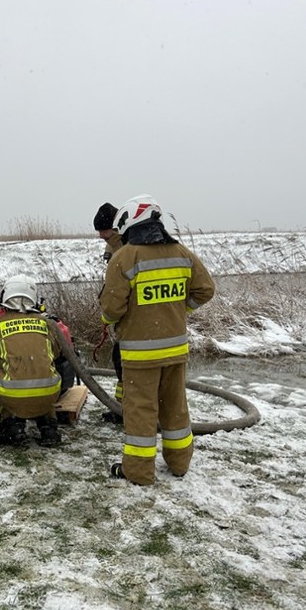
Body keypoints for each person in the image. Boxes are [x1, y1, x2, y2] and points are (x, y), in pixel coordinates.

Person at [99, 195, 215, 485]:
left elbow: (111, 310)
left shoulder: (123, 258)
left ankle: (138, 471)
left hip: (140, 355)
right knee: (175, 407)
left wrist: (112, 321)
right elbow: (205, 290)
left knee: (140, 411)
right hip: (176, 349)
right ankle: (179, 463)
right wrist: (178, 309)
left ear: (129, 225)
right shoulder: (182, 253)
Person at [0, 274, 65, 447]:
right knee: (46, 370)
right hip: (49, 393)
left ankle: (12, 427)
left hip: (10, 396)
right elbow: (58, 354)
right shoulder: (46, 323)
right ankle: (49, 428)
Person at [93, 202, 125, 418]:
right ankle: (121, 408)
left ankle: (125, 410)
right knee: (119, 361)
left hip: (132, 320)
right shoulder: (115, 246)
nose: (101, 236)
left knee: (124, 363)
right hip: (125, 320)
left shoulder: (126, 248)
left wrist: (110, 312)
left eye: (103, 231)